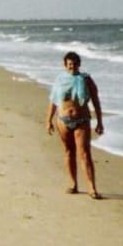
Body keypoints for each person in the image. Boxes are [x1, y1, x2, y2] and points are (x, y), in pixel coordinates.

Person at [45, 51, 104, 199]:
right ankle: (73, 184)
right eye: (69, 64)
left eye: (75, 64)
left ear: (79, 64)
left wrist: (99, 122)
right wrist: (48, 120)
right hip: (63, 120)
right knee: (68, 151)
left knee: (84, 153)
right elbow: (53, 101)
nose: (72, 66)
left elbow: (96, 101)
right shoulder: (59, 79)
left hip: (82, 120)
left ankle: (91, 187)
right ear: (65, 65)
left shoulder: (86, 79)